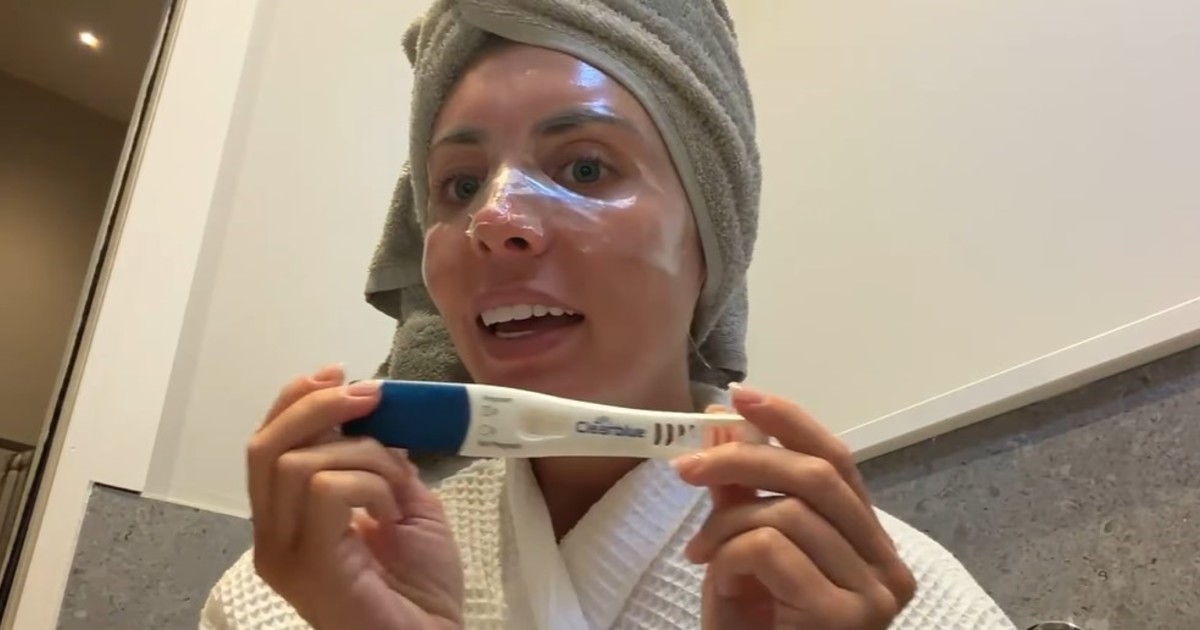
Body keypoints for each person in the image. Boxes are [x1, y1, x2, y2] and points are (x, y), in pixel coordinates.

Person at [202, 1, 1016, 629]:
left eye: (586, 168)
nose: (495, 220)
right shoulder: (289, 597)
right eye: (460, 185)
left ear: (712, 241)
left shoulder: (901, 603)